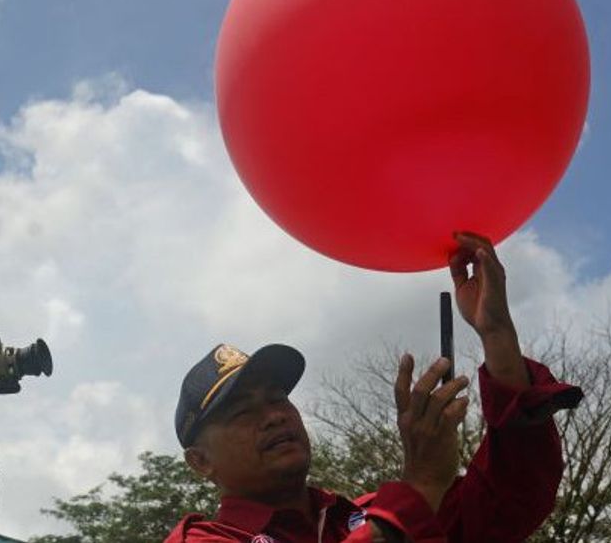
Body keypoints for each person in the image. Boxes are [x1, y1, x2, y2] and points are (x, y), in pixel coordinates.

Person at [165, 232, 583, 542]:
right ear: (200, 462)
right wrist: (420, 483)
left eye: (278, 399)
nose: (274, 415)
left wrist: (497, 336)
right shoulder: (201, 539)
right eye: (242, 412)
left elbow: (512, 497)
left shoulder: (370, 515)